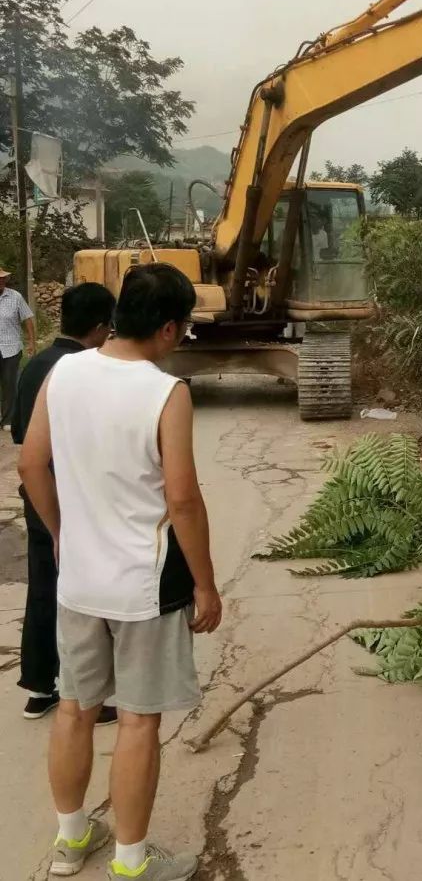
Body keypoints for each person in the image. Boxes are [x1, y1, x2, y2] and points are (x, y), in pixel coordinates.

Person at [20, 263, 222, 880]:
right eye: (183, 328)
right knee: (137, 720)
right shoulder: (165, 393)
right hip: (144, 582)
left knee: (76, 708)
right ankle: (132, 865)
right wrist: (207, 585)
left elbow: (31, 466)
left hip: (78, 579)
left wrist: (61, 535)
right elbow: (183, 499)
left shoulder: (64, 371)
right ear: (166, 327)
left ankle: (71, 841)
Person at [12, 282, 118, 722]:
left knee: (43, 592)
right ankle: (95, 696)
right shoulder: (86, 370)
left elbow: (21, 438)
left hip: (38, 497)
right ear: (99, 327)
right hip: (76, 499)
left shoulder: (35, 365)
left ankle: (40, 688)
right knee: (90, 598)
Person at [0, 267, 36, 429]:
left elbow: (28, 319)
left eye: (3, 279)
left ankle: (7, 419)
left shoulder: (15, 297)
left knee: (9, 383)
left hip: (11, 347)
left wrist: (31, 342)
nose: (1, 281)